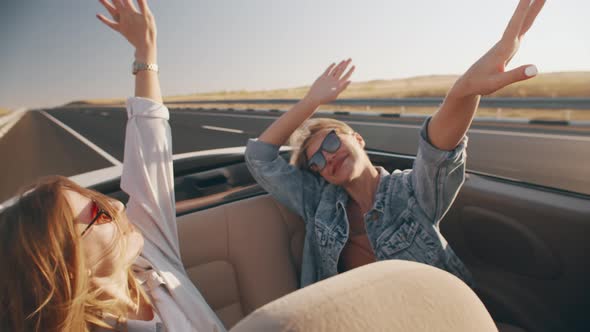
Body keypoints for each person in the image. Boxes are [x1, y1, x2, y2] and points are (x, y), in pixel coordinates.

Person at [245, 0, 545, 288]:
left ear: (358, 139)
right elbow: (260, 157)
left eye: (332, 142)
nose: (328, 158)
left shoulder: (410, 193)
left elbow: (437, 150)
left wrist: (463, 92)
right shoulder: (317, 204)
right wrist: (312, 101)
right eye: (318, 162)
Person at [0, 0, 225, 331]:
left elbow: (150, 150)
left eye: (101, 201)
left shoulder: (151, 261)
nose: (118, 204)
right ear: (69, 270)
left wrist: (145, 53)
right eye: (98, 214)